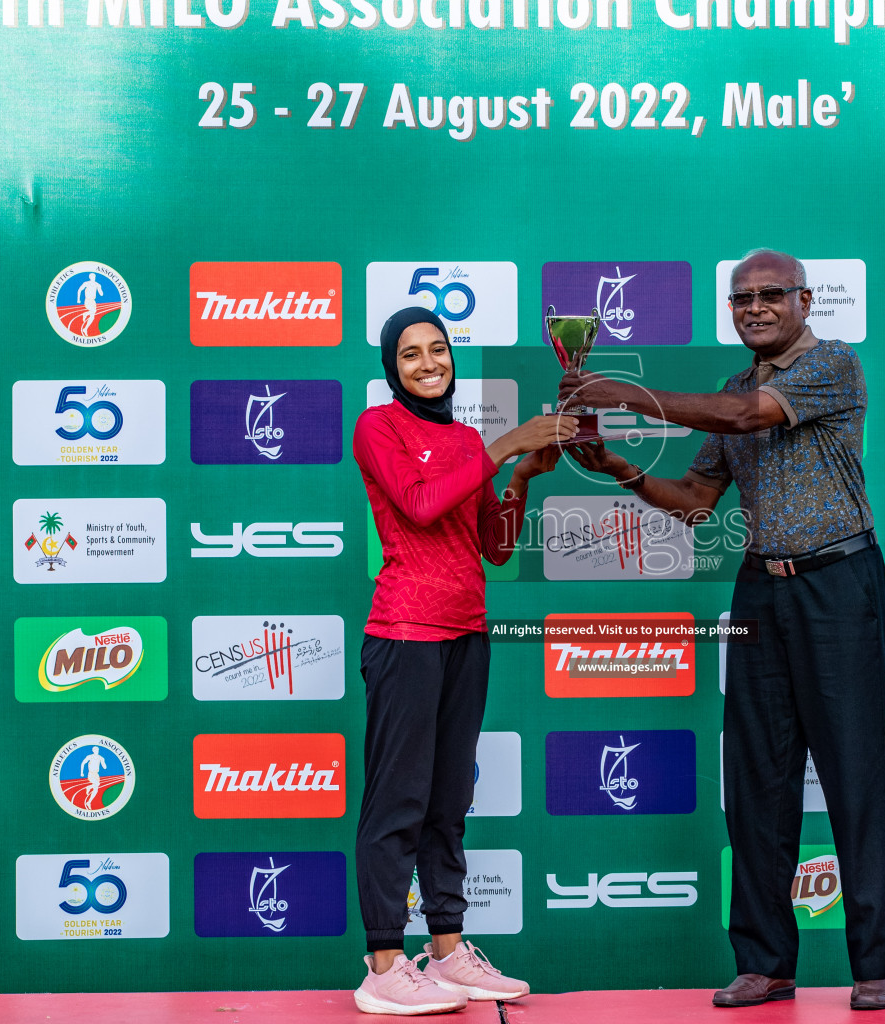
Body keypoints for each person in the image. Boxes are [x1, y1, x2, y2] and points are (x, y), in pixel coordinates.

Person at [559, 249, 885, 1011]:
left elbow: (749, 419)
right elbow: (693, 503)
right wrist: (618, 467)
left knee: (855, 777)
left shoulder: (833, 365)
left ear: (805, 300)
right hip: (760, 591)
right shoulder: (732, 389)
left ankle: (873, 965)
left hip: (838, 582)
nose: (754, 307)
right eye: (741, 297)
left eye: (770, 294)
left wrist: (623, 393)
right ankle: (767, 963)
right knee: (756, 783)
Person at [351, 306, 575, 1016]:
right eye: (411, 353)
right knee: (398, 804)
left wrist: (522, 478)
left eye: (438, 349)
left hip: (465, 634)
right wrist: (507, 445)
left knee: (448, 806)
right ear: (393, 367)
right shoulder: (378, 428)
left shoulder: (467, 440)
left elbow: (495, 547)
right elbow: (418, 507)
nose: (427, 362)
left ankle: (446, 953)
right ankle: (384, 964)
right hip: (404, 634)